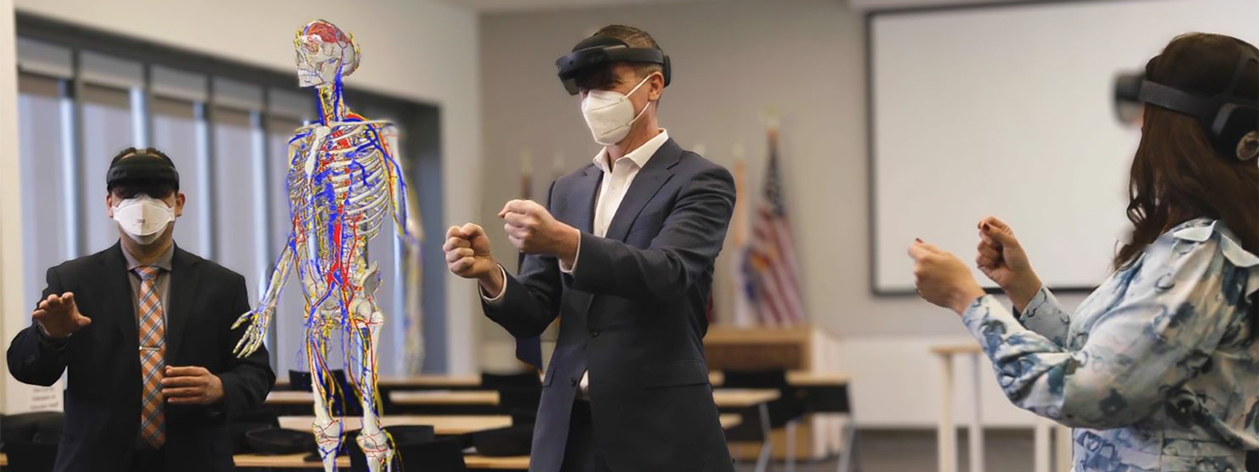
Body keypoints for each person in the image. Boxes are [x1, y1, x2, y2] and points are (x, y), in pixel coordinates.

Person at [908, 33, 1258, 471]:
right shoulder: (1185, 247)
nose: (1141, 131)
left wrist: (968, 300)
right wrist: (1024, 290)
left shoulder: (1202, 257)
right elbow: (1100, 358)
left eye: (1150, 117)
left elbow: (1086, 394)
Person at [444, 25, 736, 472]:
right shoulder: (567, 189)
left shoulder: (699, 180)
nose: (592, 102)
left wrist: (566, 243)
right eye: (583, 91)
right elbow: (536, 309)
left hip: (658, 427)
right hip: (568, 427)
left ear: (652, 85)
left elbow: (667, 273)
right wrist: (490, 273)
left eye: (606, 86)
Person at [7, 147, 276, 472]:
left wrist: (220, 388)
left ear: (178, 203)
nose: (143, 204)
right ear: (110, 204)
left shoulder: (222, 285)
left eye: (157, 191)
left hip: (195, 460)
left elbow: (256, 371)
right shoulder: (72, 280)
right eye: (129, 193)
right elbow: (27, 368)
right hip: (96, 462)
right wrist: (50, 335)